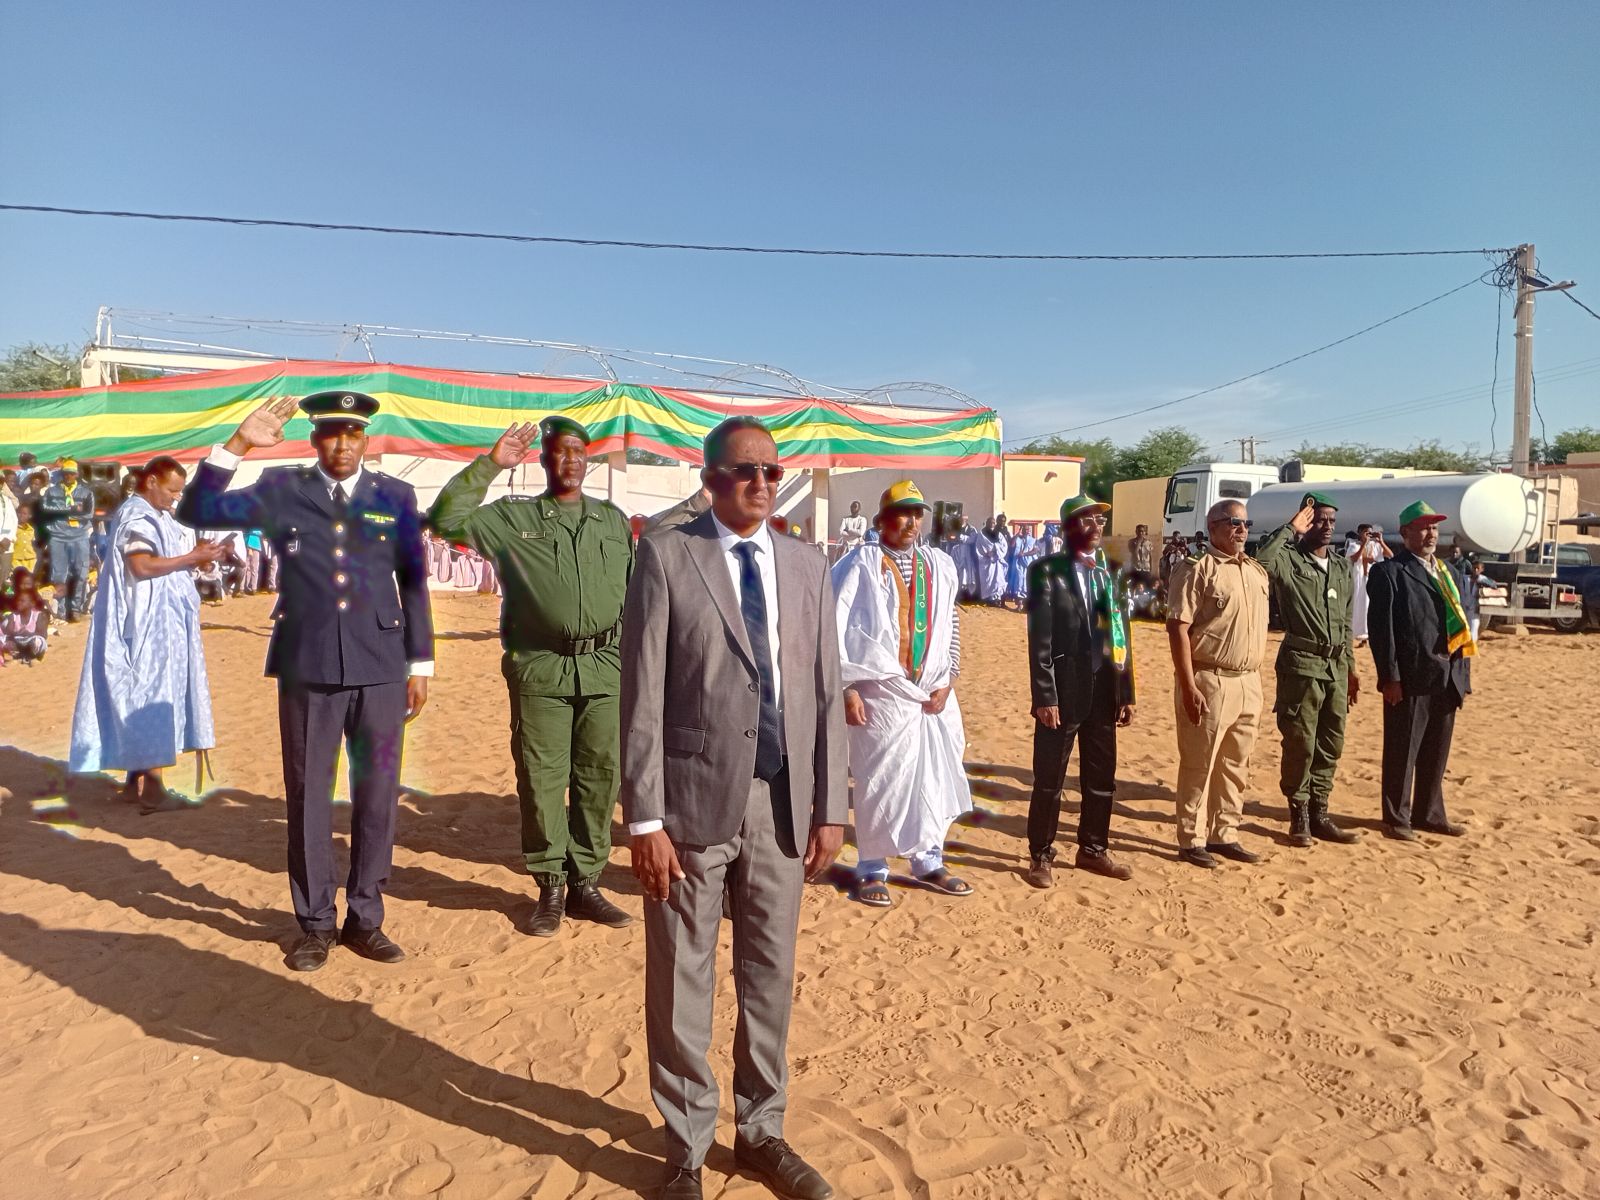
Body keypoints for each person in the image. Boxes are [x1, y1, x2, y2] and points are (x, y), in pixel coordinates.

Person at [620, 415, 845, 1200]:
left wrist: (830, 805)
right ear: (711, 479)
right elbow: (642, 693)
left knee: (769, 973)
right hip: (689, 804)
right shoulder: (667, 554)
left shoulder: (808, 565)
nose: (761, 483)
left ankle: (761, 1132)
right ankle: (686, 1147)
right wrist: (644, 819)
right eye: (745, 470)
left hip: (781, 805)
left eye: (772, 471)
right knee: (682, 974)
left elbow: (826, 689)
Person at [177, 392, 434, 971]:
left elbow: (414, 581)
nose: (343, 444)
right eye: (331, 434)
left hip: (381, 665)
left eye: (353, 434)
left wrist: (420, 664)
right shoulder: (281, 488)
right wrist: (238, 444)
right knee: (309, 796)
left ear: (366, 439)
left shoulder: (395, 495)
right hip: (307, 662)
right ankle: (316, 923)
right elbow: (196, 509)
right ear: (315, 439)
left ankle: (366, 919)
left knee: (377, 796)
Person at [428, 416, 635, 937]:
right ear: (543, 460)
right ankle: (551, 886)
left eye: (579, 452)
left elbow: (634, 594)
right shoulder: (511, 518)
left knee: (599, 777)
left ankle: (587, 882)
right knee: (542, 779)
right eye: (560, 451)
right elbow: (446, 519)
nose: (570, 460)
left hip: (605, 668)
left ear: (588, 460)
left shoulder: (611, 521)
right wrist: (490, 465)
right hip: (542, 667)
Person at [832, 480, 972, 908]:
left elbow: (950, 624)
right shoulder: (858, 564)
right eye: (902, 514)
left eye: (917, 514)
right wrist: (846, 687)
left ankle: (928, 860)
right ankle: (872, 867)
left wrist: (948, 678)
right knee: (880, 782)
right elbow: (833, 625)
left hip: (932, 692)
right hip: (880, 693)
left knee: (933, 776)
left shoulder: (939, 565)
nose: (911, 522)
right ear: (881, 521)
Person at [69, 457, 226, 812]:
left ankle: (133, 784)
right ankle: (154, 791)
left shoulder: (155, 515)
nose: (175, 498)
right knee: (153, 694)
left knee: (141, 695)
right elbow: (140, 566)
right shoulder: (138, 515)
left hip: (158, 623)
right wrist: (190, 557)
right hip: (145, 627)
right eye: (171, 490)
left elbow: (164, 559)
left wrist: (200, 558)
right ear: (151, 481)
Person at [1024, 493, 1136, 887]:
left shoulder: (1109, 572)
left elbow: (1121, 635)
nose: (1095, 526)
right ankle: (1040, 854)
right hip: (1063, 689)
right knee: (1049, 779)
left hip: (1103, 690)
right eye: (1086, 519)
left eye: (1099, 520)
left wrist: (1126, 691)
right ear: (1068, 527)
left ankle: (1093, 848)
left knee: (1101, 778)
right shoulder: (1046, 571)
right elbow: (1039, 639)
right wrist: (1045, 696)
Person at [1164, 500, 1269, 868]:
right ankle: (1191, 839)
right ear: (1212, 527)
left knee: (1236, 763)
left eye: (1245, 523)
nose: (1241, 530)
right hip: (1209, 679)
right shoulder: (1197, 568)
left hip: (1249, 681)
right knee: (1200, 763)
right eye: (1232, 523)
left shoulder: (1255, 571)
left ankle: (1225, 833)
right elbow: (1177, 628)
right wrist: (1188, 685)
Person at [1256, 494, 1362, 847]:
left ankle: (1320, 812)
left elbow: (1345, 623)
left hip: (1336, 668)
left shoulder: (1342, 567)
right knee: (1300, 742)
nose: (1327, 526)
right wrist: (1290, 528)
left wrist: (1351, 668)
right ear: (1306, 520)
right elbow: (1260, 562)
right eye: (1319, 520)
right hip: (1301, 666)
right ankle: (1298, 813)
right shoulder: (1289, 560)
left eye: (1332, 521)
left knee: (1331, 743)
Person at [1367, 501, 1472, 841]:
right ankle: (1397, 819)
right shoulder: (1390, 573)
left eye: (1434, 528)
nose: (1430, 534)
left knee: (1436, 752)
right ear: (1405, 533)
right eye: (1423, 528)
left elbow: (1462, 624)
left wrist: (1463, 676)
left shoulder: (1448, 572)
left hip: (1447, 677)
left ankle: (1430, 814)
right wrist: (1390, 678)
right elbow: (1382, 632)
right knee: (1403, 751)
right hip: (1410, 678)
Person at [39, 458, 95, 621]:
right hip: (58, 536)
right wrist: (69, 509)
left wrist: (67, 514)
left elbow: (89, 514)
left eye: (71, 473)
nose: (68, 476)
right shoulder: (52, 491)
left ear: (77, 474)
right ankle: (61, 610)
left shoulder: (86, 492)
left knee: (81, 573)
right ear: (62, 474)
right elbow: (45, 508)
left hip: (80, 536)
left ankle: (76, 608)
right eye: (66, 473)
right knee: (59, 575)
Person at [1349, 524, 1392, 645]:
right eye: (1366, 532)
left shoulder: (1376, 545)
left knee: (1372, 606)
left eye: (1370, 532)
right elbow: (1353, 559)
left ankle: (1369, 634)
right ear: (1359, 533)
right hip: (1360, 579)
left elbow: (1390, 555)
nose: (1368, 535)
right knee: (1360, 607)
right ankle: (1360, 634)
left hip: (1373, 579)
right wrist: (1364, 544)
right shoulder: (1354, 545)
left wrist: (1381, 541)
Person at [0, 582, 49, 665]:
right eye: (18, 601)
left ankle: (31, 657)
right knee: (5, 642)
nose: (19, 603)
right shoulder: (13, 616)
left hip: (31, 640)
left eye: (22, 601)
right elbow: (8, 633)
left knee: (38, 642)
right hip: (17, 640)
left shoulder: (38, 616)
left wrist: (27, 636)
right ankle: (19, 656)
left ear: (31, 604)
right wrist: (13, 637)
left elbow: (43, 635)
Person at [976, 517, 1007, 605]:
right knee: (987, 579)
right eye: (990, 522)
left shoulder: (998, 534)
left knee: (997, 580)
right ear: (987, 523)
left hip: (996, 560)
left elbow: (1004, 545)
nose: (992, 524)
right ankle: (987, 599)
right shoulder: (981, 534)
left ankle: (996, 599)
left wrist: (995, 551)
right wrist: (986, 553)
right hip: (986, 560)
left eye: (993, 523)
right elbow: (978, 546)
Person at [0, 480, 16, 586]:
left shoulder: (7, 500)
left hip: (6, 544)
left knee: (5, 574)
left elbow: (13, 520)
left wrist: (7, 538)